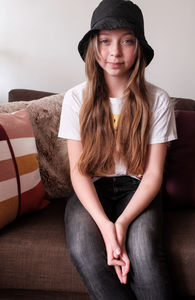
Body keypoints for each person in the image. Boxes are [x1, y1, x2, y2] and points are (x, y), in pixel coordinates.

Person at [58, 0, 177, 299]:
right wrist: (105, 226)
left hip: (137, 189)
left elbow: (152, 175)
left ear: (139, 47)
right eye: (105, 41)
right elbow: (78, 171)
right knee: (85, 248)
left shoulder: (158, 100)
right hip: (93, 189)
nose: (115, 52)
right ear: (93, 47)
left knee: (143, 251)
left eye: (127, 41)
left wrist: (121, 224)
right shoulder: (75, 99)